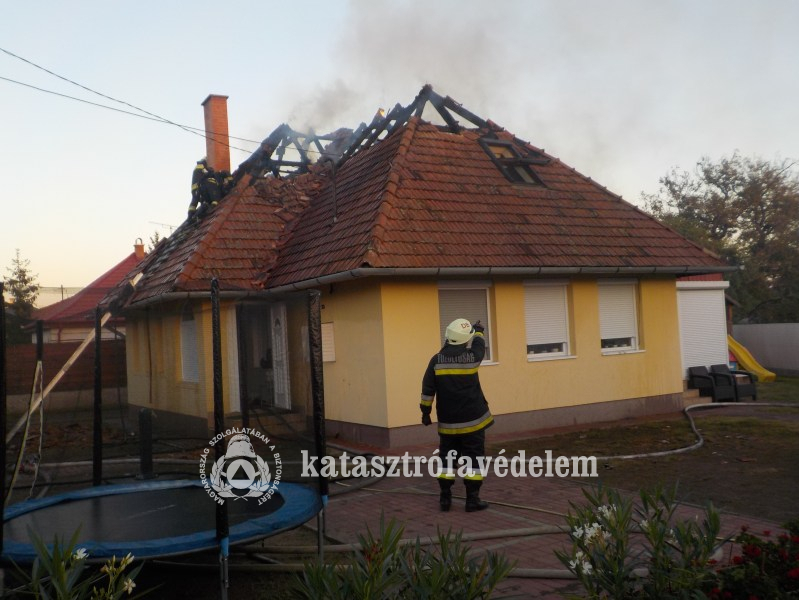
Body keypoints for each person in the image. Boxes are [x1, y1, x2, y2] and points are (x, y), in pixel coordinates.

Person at [420, 318, 494, 512]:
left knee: (446, 459)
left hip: (448, 425)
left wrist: (425, 412)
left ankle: (445, 498)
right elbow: (479, 347)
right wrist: (478, 331)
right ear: (465, 340)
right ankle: (472, 500)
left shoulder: (436, 360)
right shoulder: (471, 358)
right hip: (473, 423)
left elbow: (427, 390)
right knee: (474, 460)